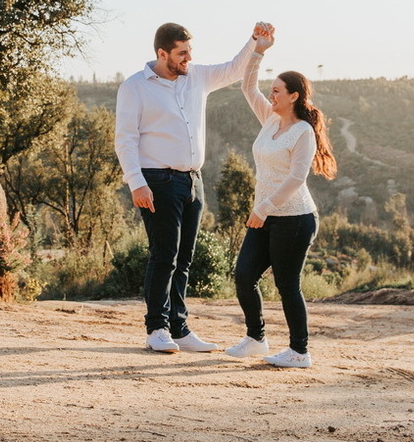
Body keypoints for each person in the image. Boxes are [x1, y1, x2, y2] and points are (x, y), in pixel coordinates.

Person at [115, 21, 267, 353]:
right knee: (164, 256)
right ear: (162, 53)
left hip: (193, 181)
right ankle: (157, 328)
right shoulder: (135, 87)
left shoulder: (197, 77)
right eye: (182, 53)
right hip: (157, 180)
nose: (189, 58)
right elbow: (125, 139)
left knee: (184, 259)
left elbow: (233, 69)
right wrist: (136, 183)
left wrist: (255, 42)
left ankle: (179, 329)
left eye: (189, 51)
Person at [224, 25, 337, 368]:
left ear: (293, 96)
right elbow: (247, 86)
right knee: (244, 275)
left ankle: (299, 351)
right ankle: (256, 339)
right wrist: (259, 50)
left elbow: (296, 178)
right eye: (271, 90)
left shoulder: (303, 132)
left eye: (276, 91)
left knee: (288, 285)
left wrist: (264, 208)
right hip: (265, 215)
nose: (270, 95)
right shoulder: (269, 120)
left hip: (295, 219)